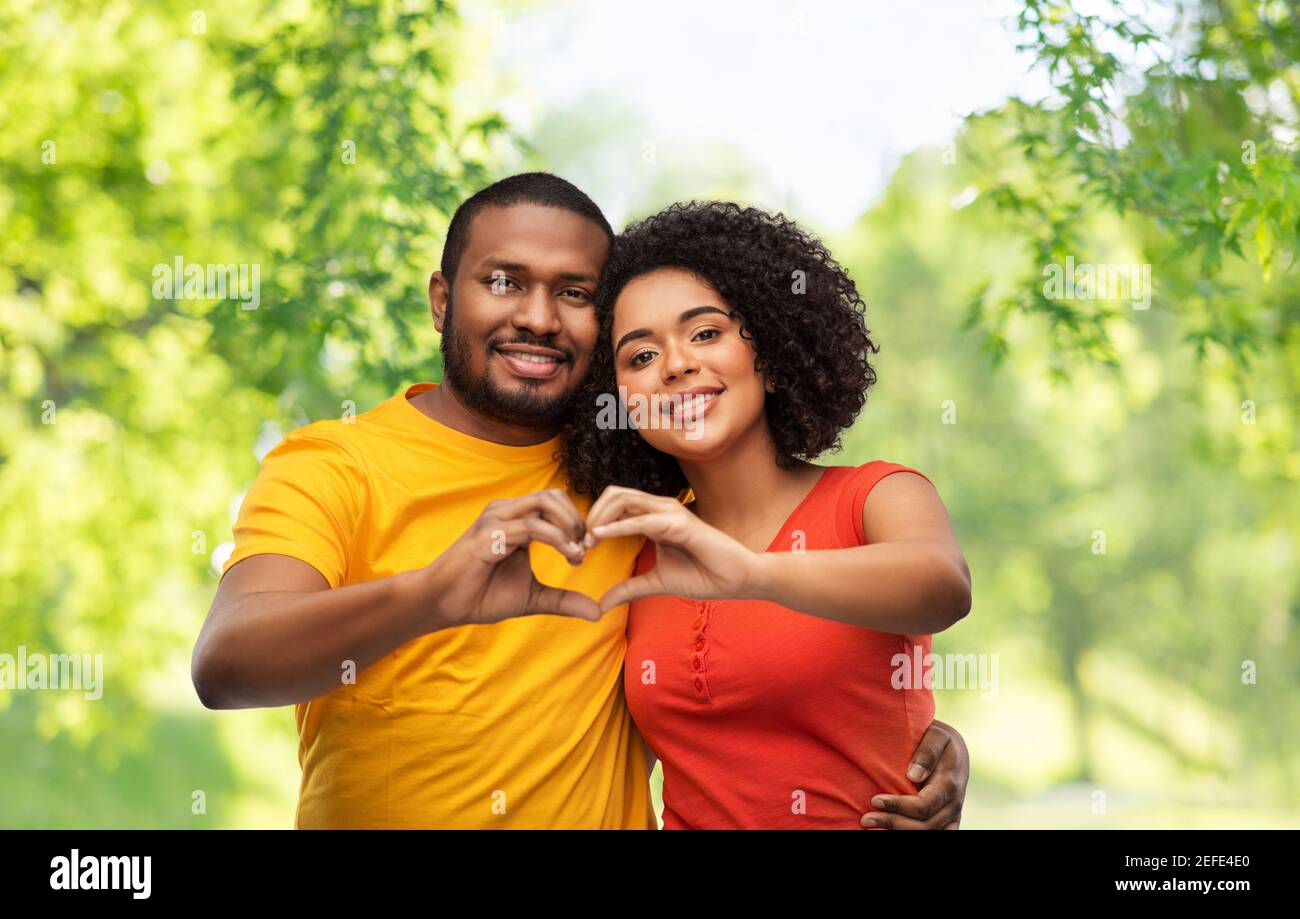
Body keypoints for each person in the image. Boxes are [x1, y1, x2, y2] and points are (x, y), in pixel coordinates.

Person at [192, 173, 969, 828]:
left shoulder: (638, 491)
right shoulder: (336, 463)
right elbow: (227, 666)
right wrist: (431, 595)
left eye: (573, 293)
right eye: (503, 281)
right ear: (440, 298)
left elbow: (854, 605)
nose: (536, 316)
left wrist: (908, 737)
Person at [562, 201, 972, 828]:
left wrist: (754, 574)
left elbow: (942, 588)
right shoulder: (634, 556)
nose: (675, 365)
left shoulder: (876, 496)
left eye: (705, 333)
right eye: (639, 357)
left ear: (773, 357)